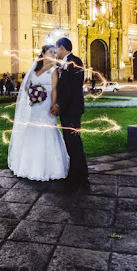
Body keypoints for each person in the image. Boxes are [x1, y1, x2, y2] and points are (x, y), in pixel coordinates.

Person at [8, 44, 69, 181]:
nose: (54, 54)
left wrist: (53, 105)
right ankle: (29, 165)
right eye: (51, 52)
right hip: (35, 107)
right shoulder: (35, 70)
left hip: (46, 107)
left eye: (55, 52)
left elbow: (54, 90)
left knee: (48, 131)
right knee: (32, 131)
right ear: (42, 54)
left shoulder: (54, 70)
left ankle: (50, 167)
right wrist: (32, 95)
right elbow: (26, 86)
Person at [51, 37, 88, 191]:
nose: (55, 52)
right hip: (69, 109)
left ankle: (79, 174)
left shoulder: (74, 62)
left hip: (72, 109)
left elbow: (72, 88)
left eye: (56, 48)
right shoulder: (65, 63)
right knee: (71, 142)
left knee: (74, 142)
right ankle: (77, 172)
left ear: (62, 47)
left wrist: (60, 103)